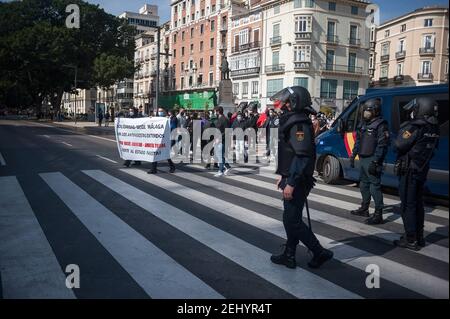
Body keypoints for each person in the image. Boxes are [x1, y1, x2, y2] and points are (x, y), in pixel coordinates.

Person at [270, 86, 333, 269]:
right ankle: (290, 254)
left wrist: (291, 182)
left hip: (297, 181)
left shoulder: (299, 125)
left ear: (295, 102)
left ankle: (319, 252)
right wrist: (283, 176)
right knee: (290, 218)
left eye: (286, 102)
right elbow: (291, 153)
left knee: (292, 220)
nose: (282, 105)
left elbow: (302, 156)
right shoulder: (295, 121)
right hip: (292, 178)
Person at [393, 97, 439, 250]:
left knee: (408, 204)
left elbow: (399, 144)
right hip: (421, 169)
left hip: (410, 170)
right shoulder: (433, 128)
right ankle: (419, 237)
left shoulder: (415, 127)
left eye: (415, 109)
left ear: (421, 109)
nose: (413, 112)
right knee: (418, 204)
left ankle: (410, 238)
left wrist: (404, 128)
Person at [349, 99, 390, 225]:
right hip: (362, 158)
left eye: (368, 110)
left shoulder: (381, 125)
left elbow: (382, 145)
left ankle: (378, 214)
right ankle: (364, 208)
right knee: (363, 184)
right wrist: (353, 154)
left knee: (374, 186)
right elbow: (358, 141)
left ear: (374, 111)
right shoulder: (363, 124)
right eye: (365, 110)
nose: (365, 112)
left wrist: (376, 161)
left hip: (372, 158)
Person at [148, 108, 176, 174]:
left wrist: (168, 120)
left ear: (164, 112)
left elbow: (173, 128)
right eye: (158, 111)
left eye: (161, 111)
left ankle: (172, 166)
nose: (159, 112)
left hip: (166, 139)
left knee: (165, 153)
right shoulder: (156, 118)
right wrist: (150, 119)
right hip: (157, 138)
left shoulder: (169, 119)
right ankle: (153, 169)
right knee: (155, 152)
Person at [214, 106, 232, 177]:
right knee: (220, 155)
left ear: (218, 111)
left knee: (220, 156)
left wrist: (219, 138)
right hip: (218, 139)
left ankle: (221, 171)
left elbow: (227, 131)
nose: (215, 112)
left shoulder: (224, 119)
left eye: (215, 111)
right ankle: (227, 166)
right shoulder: (220, 118)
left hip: (222, 140)